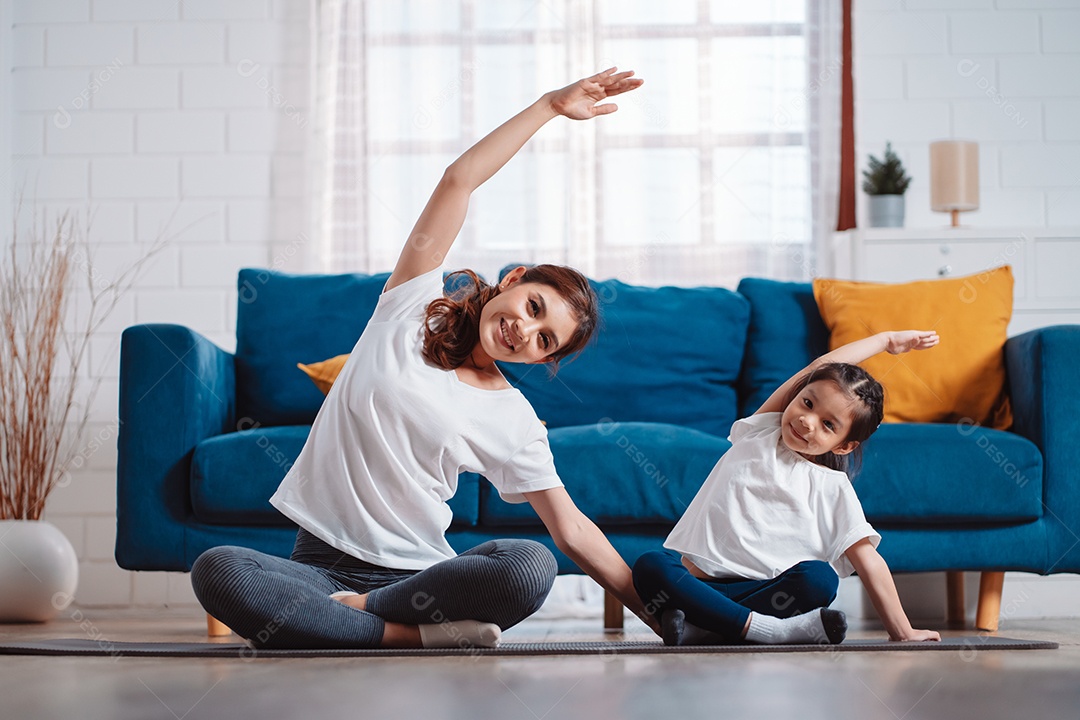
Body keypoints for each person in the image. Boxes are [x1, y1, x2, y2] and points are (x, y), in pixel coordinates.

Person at [191, 68, 655, 650]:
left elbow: (571, 531)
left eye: (544, 340)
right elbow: (458, 181)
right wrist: (548, 107)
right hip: (315, 568)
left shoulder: (513, 418)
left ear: (542, 361)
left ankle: (361, 620)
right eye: (533, 305)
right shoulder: (408, 308)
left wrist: (661, 618)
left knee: (527, 565)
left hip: (422, 580)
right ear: (511, 280)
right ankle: (412, 638)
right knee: (219, 569)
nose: (524, 330)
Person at [632, 331, 945, 645]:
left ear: (844, 446)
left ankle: (707, 626)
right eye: (807, 403)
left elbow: (868, 559)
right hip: (698, 584)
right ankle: (762, 630)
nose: (807, 421)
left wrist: (902, 631)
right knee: (652, 565)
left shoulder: (833, 488)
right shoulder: (761, 430)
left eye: (828, 425)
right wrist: (885, 341)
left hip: (768, 593)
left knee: (820, 580)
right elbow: (820, 366)